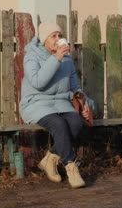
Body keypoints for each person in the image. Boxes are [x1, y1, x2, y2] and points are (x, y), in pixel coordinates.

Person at [19, 22, 94, 188]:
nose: (58, 39)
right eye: (54, 36)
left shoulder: (67, 60)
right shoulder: (32, 56)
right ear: (44, 40)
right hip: (36, 102)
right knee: (59, 124)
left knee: (75, 121)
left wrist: (87, 105)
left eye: (60, 36)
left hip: (61, 103)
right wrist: (56, 58)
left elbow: (75, 88)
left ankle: (50, 159)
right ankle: (71, 166)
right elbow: (38, 83)